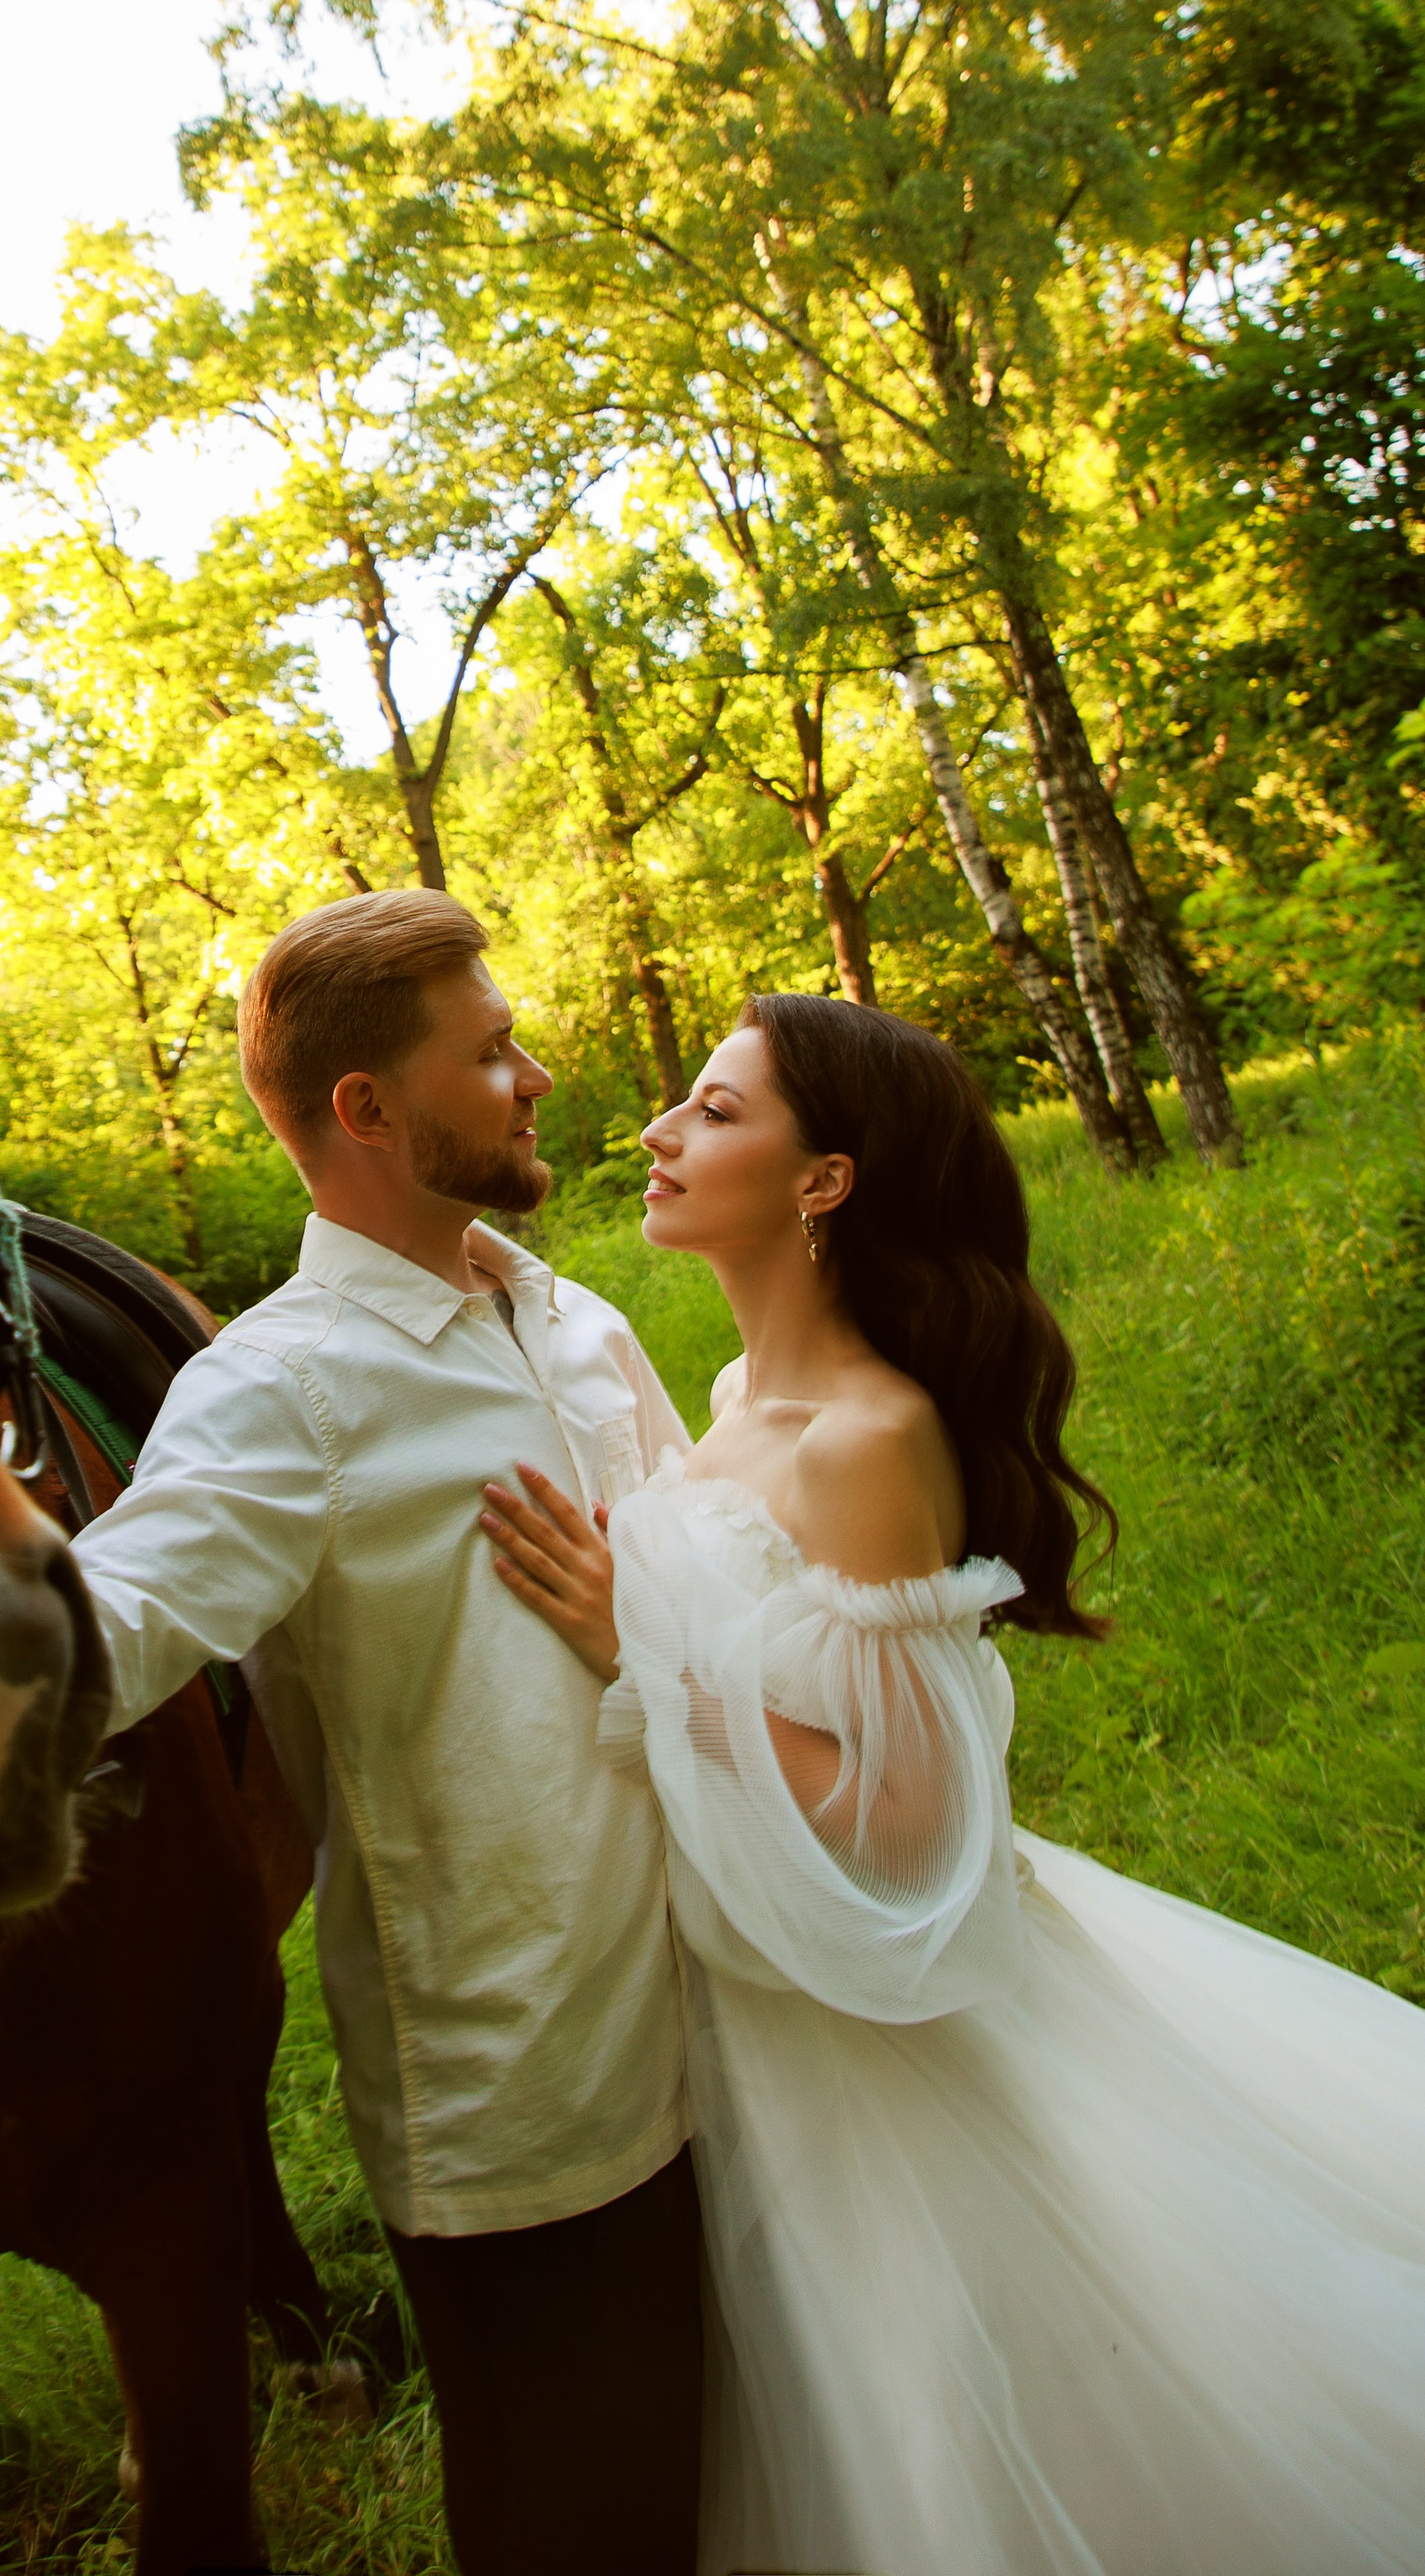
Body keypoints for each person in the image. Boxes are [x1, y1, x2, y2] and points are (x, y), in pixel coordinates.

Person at [479, 990, 1425, 2576]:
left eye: (713, 1111)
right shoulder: (730, 1407)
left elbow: (914, 1822)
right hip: (745, 2001)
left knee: (941, 2418)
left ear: (824, 1180)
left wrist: (638, 1661)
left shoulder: (865, 1437)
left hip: (877, 2050)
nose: (657, 1133)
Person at [71, 890, 711, 2576]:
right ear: (363, 1109)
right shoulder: (283, 1390)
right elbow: (103, 1631)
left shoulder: (576, 1322)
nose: (535, 1072)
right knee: (587, 2526)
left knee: (733, 2487)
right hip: (532, 2096)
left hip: (727, 2022)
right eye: (489, 1052)